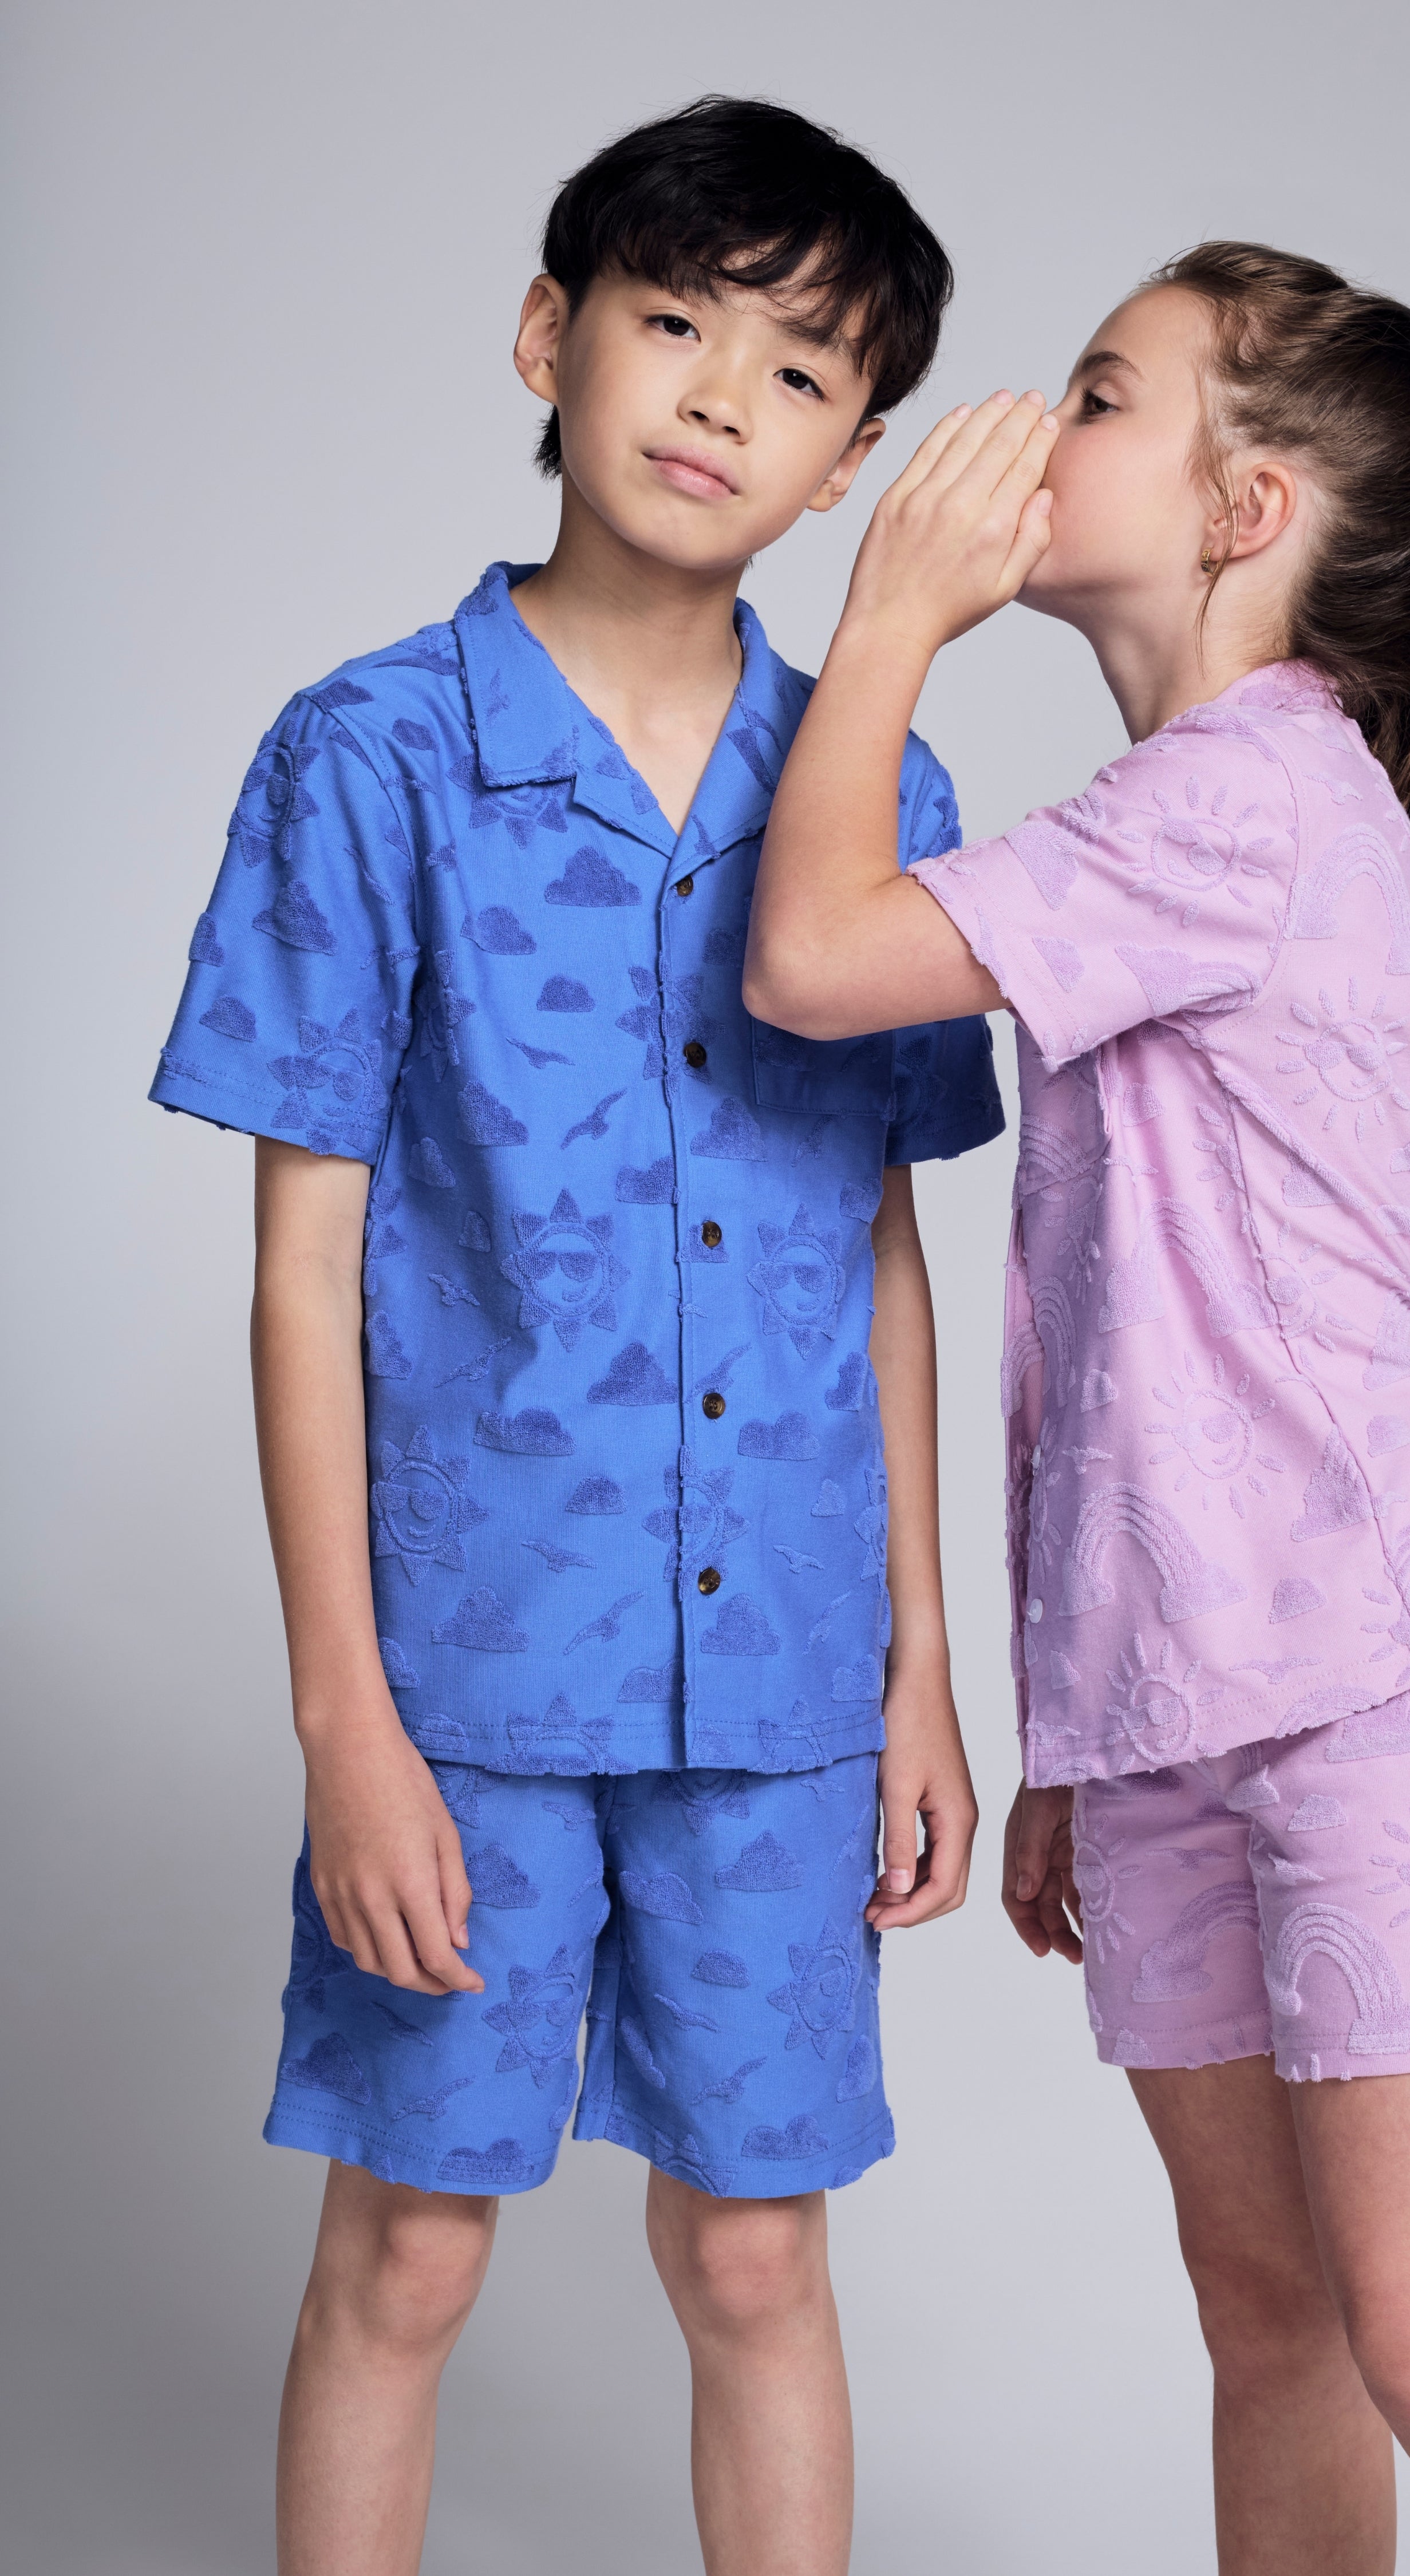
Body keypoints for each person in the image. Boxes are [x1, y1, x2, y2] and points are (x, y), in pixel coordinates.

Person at [746, 243, 1410, 2573]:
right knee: (1269, 2322)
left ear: (1244, 508)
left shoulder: (1251, 801)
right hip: (1185, 1700)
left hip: (1380, 1674)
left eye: (1097, 393)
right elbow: (1124, 1338)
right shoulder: (1168, 818)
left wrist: (890, 617)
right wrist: (1091, 1727)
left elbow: (813, 957)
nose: (1029, 435)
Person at [148, 97, 1002, 2576]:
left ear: (851, 462)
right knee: (409, 2245)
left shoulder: (882, 787)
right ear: (550, 335)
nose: (726, 396)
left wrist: (924, 1667)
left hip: (785, 1684)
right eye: (672, 320)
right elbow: (302, 1271)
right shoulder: (371, 758)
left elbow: (880, 1248)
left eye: (806, 371)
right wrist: (347, 1720)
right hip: (469, 1676)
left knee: (755, 2253)